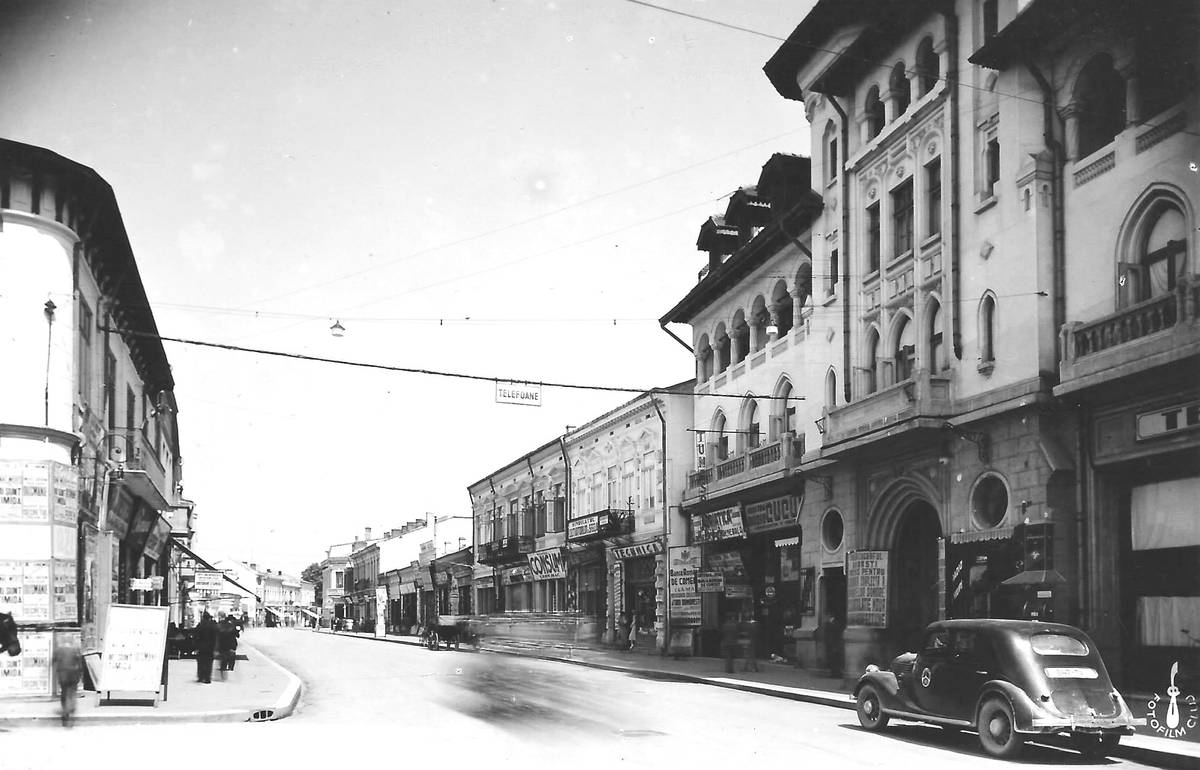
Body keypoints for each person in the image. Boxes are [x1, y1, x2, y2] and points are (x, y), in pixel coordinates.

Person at [53, 636, 84, 727]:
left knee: (64, 692)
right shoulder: (76, 649)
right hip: (74, 673)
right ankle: (71, 707)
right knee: (72, 692)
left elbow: (54, 660)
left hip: (63, 674)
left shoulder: (59, 649)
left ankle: (65, 710)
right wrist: (81, 674)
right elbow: (80, 663)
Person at [194, 611, 217, 683]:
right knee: (208, 663)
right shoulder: (212, 626)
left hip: (201, 647)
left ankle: (201, 677)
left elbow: (196, 636)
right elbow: (215, 637)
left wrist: (196, 646)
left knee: (201, 663)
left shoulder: (200, 625)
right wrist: (214, 647)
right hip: (210, 648)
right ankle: (207, 678)